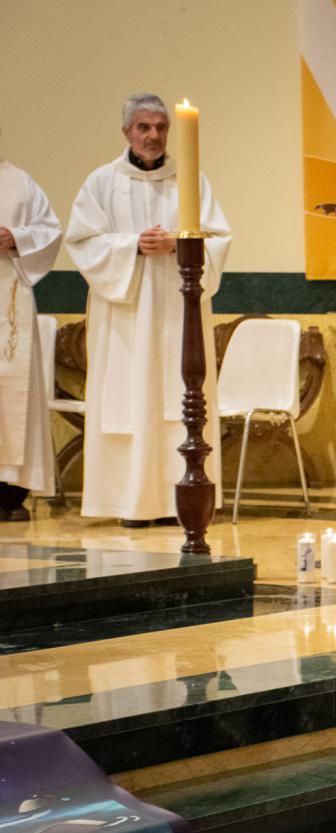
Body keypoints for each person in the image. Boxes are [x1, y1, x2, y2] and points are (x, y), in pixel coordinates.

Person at [67, 93, 233, 527]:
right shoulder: (101, 183)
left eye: (160, 127)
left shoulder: (191, 181)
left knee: (182, 400)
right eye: (144, 127)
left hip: (182, 311)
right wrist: (132, 246)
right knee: (131, 397)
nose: (153, 136)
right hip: (126, 314)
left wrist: (180, 243)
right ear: (127, 132)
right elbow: (82, 242)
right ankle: (130, 504)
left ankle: (182, 498)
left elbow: (219, 237)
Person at [0, 156, 63, 521]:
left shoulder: (20, 181)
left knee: (13, 394)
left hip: (10, 297)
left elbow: (50, 231)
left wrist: (17, 237)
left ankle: (11, 495)